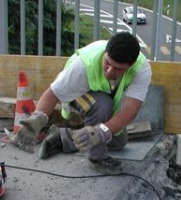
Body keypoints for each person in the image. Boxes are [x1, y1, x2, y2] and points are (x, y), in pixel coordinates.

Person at [14, 32, 152, 170]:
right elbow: (53, 93)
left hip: (103, 93)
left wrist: (102, 131)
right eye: (107, 63)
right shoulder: (83, 65)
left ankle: (63, 137)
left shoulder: (141, 68)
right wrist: (37, 118)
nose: (110, 71)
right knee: (102, 105)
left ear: (131, 64)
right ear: (105, 53)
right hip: (77, 92)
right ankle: (97, 159)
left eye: (117, 69)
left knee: (118, 141)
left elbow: (130, 111)